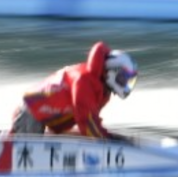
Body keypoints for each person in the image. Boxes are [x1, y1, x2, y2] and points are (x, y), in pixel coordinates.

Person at [8, 41, 137, 140]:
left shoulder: (102, 90)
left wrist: (109, 137)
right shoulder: (84, 81)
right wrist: (109, 139)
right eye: (123, 78)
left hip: (48, 119)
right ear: (111, 72)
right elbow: (87, 123)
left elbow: (91, 122)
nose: (125, 84)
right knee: (28, 154)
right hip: (32, 113)